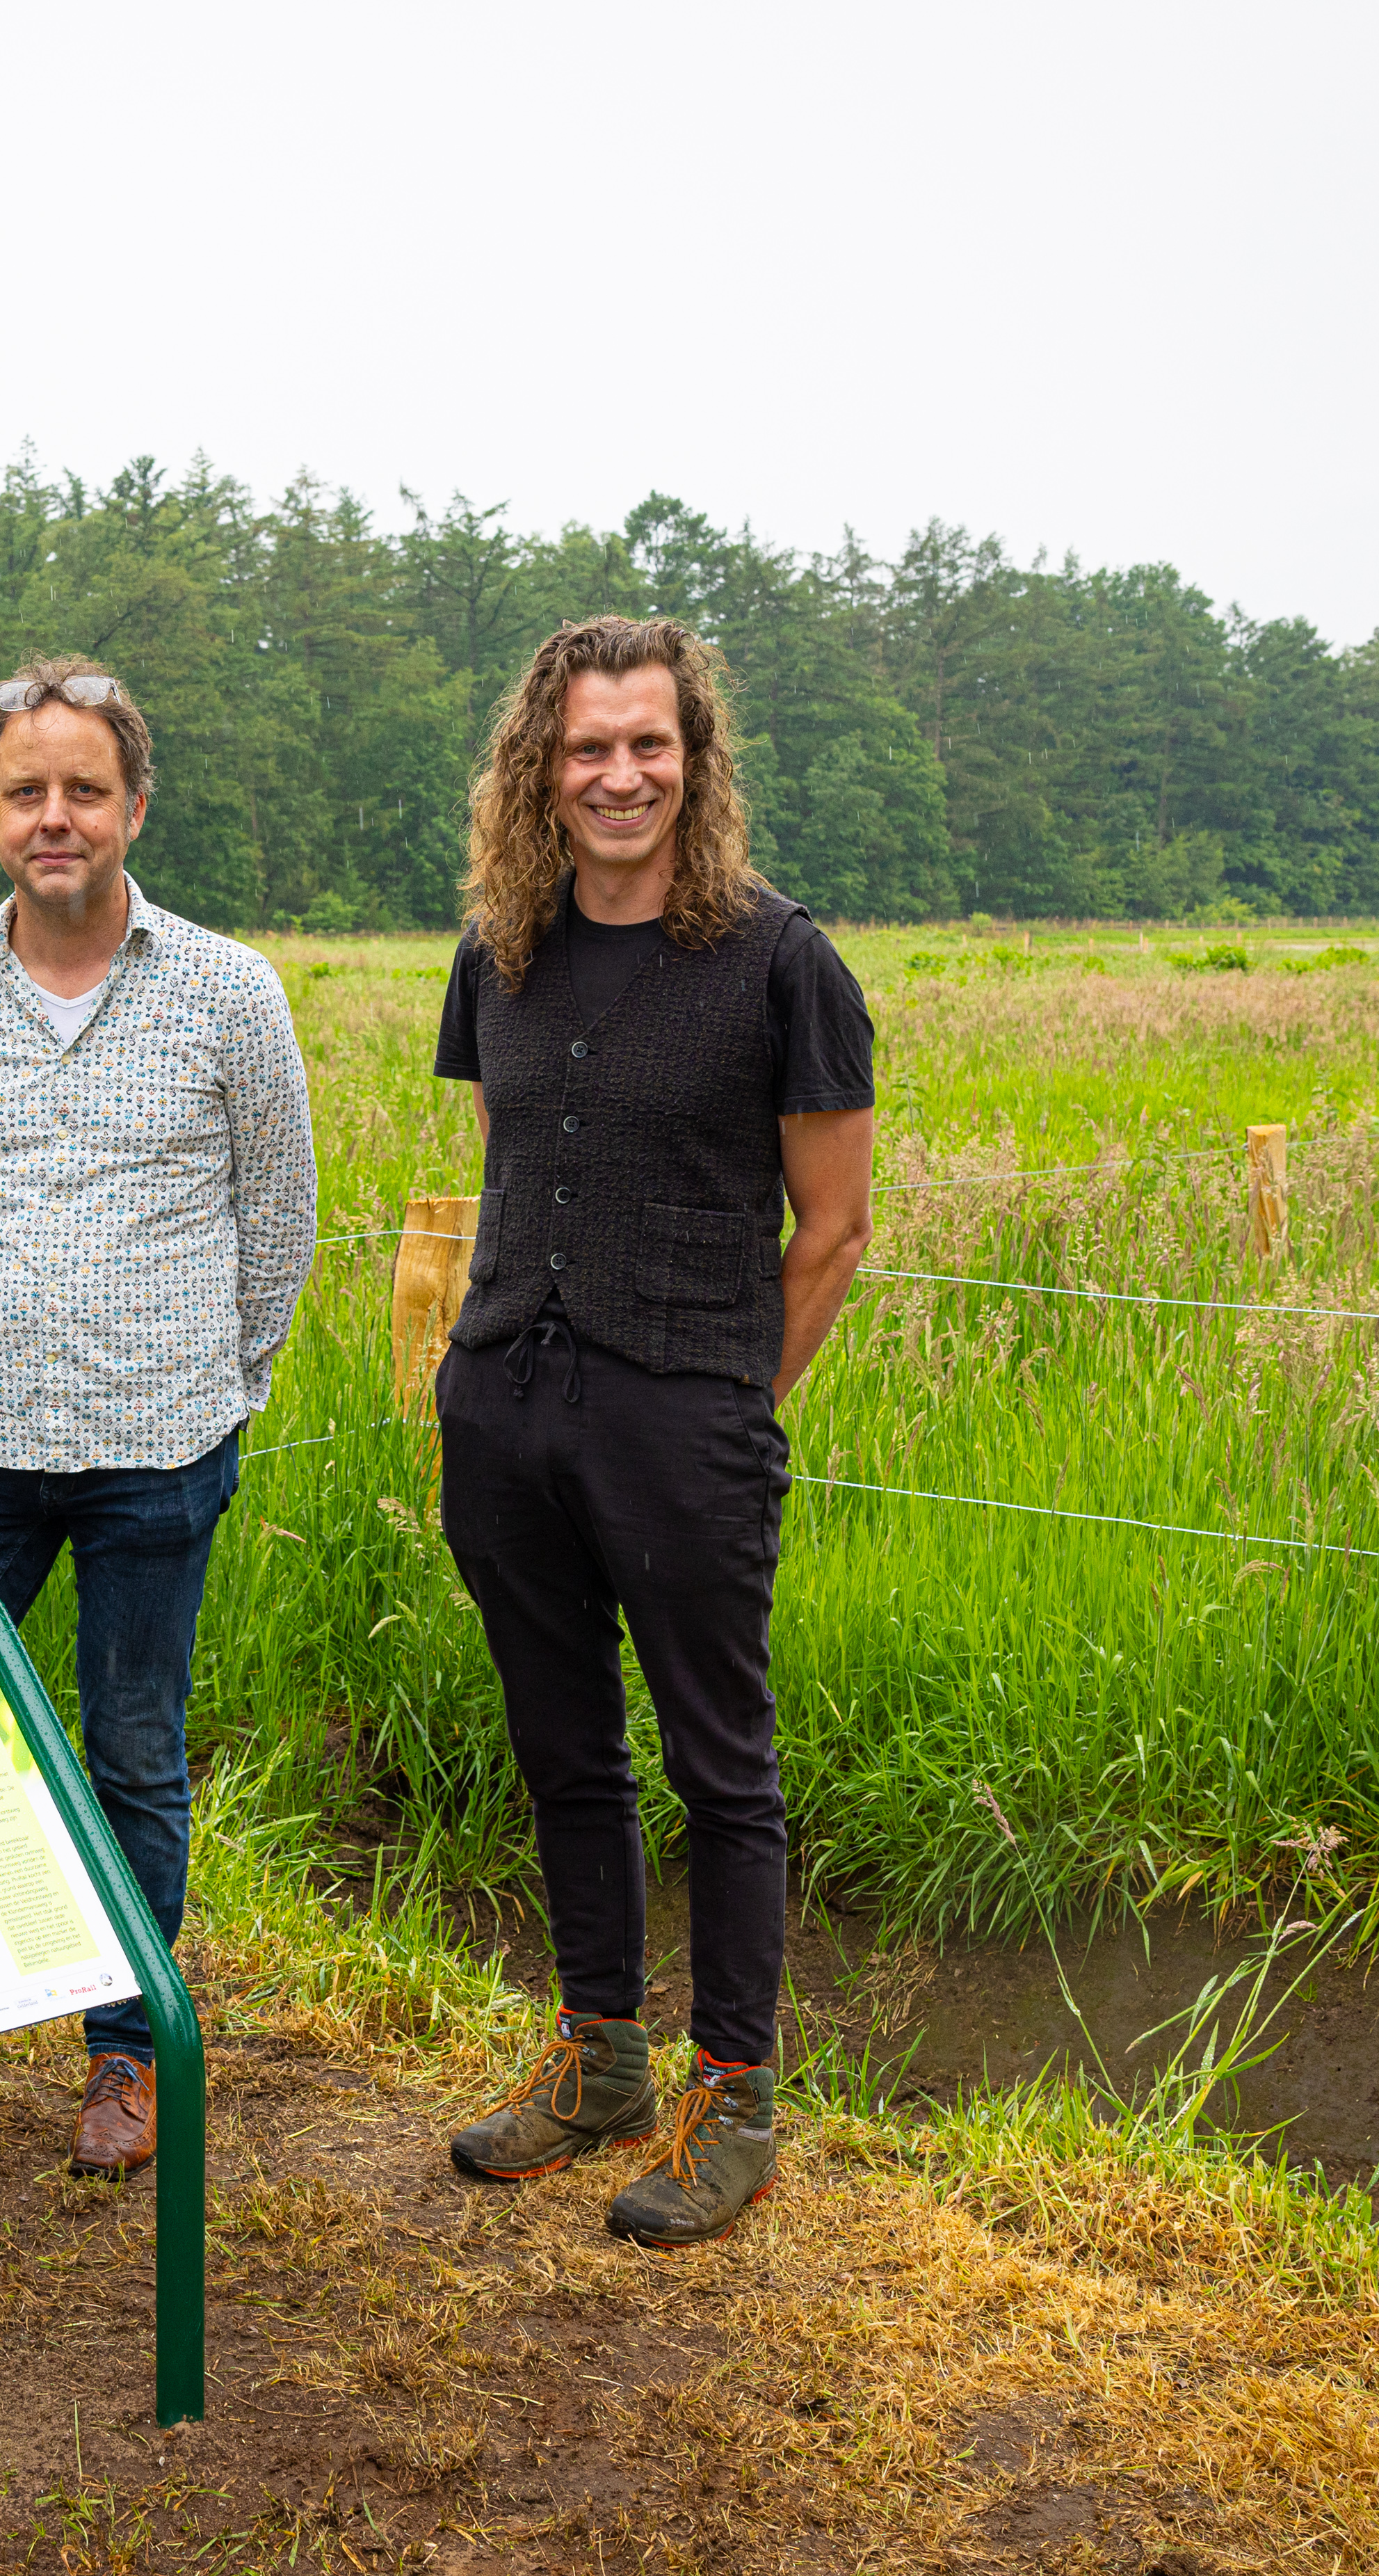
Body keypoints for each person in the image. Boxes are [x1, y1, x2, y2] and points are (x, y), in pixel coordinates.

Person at [0, 659, 317, 2177]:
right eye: (28, 790)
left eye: (84, 788)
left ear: (134, 805)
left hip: (163, 1449)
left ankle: (126, 2056)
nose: (56, 816)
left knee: (132, 1757)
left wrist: (223, 1391)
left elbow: (276, 1217)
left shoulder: (228, 990)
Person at [428, 615, 873, 2248]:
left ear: (695, 764)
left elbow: (829, 1231)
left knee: (721, 1768)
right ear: (540, 770)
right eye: (587, 749)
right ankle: (600, 2057)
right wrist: (486, 1382)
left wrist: (720, 1407)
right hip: (506, 1409)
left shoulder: (777, 962)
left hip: (680, 1422)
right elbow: (515, 1160)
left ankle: (734, 2099)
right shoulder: (503, 954)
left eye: (648, 747)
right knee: (563, 1747)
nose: (618, 776)